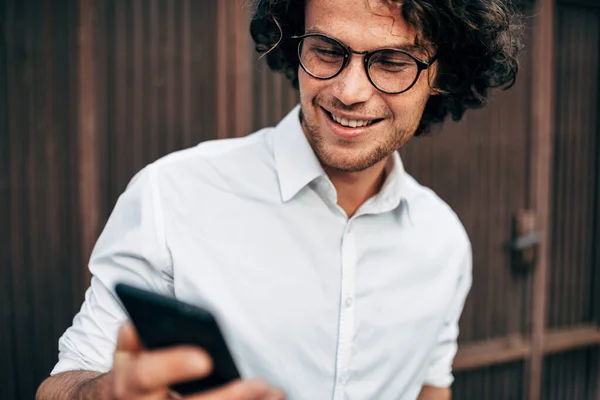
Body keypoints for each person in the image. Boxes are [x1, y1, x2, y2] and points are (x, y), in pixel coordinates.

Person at [37, 0, 521, 399]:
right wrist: (103, 394)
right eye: (327, 50)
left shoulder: (444, 239)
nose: (349, 91)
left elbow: (430, 388)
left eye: (393, 61)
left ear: (444, 73)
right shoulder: (172, 194)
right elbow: (64, 382)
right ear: (295, 45)